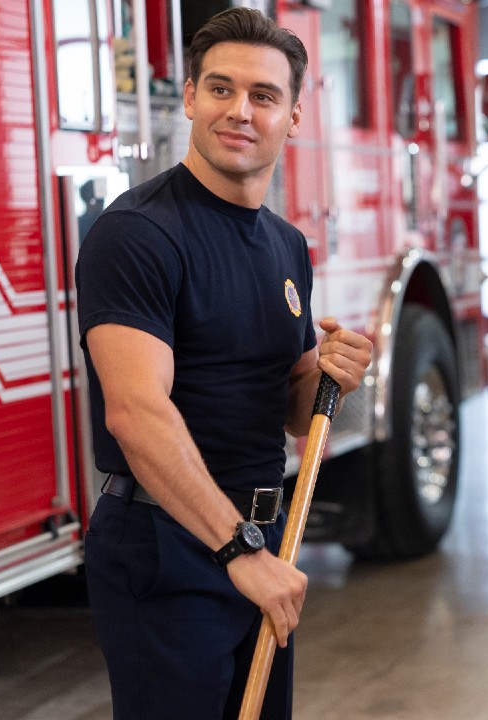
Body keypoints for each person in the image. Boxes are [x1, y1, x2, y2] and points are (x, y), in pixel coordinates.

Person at [75, 8, 373, 719]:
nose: (240, 110)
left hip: (263, 540)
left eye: (263, 95)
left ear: (293, 116)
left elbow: (294, 408)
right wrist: (239, 552)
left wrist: (333, 371)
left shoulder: (285, 244)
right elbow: (136, 414)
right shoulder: (138, 234)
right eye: (220, 89)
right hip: (170, 550)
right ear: (189, 97)